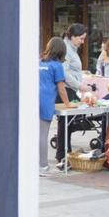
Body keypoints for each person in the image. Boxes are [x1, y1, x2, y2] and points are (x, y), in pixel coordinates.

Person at [56, 23, 91, 168]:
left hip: (71, 89)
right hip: (66, 89)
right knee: (65, 123)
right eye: (81, 39)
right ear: (72, 37)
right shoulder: (66, 49)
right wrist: (79, 85)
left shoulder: (72, 49)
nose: (82, 42)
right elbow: (64, 73)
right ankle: (62, 154)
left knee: (67, 123)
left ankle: (65, 152)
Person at [39, 38, 73, 177]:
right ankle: (42, 166)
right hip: (46, 101)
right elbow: (61, 88)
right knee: (42, 135)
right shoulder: (57, 66)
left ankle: (33, 163)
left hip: (33, 99)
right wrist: (68, 104)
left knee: (34, 134)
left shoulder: (39, 62)